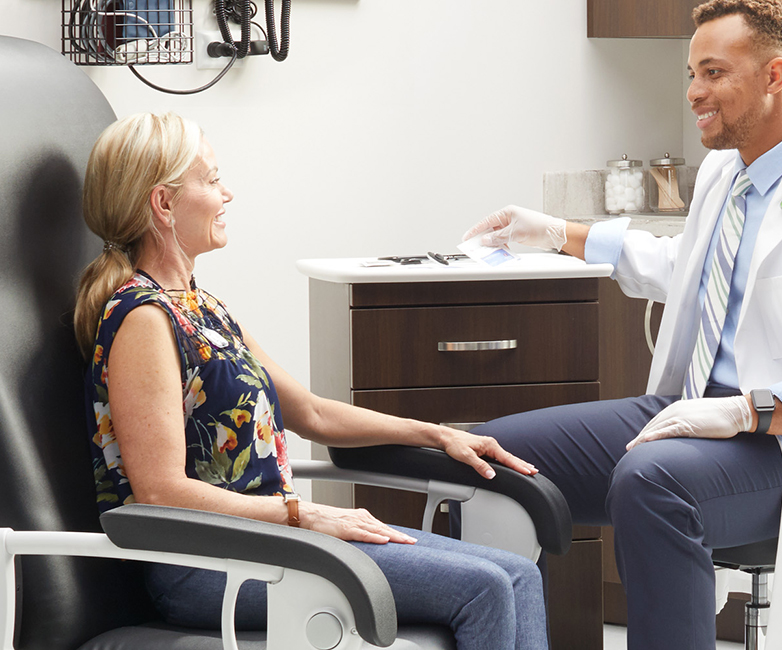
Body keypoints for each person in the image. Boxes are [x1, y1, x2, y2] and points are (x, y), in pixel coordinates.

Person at [462, 1, 782, 649]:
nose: (693, 92)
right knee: (488, 457)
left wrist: (746, 411)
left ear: (773, 75)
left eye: (712, 73)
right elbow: (689, 267)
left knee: (652, 481)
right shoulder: (723, 175)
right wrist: (557, 233)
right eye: (691, 72)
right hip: (690, 413)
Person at [76, 111, 548, 650]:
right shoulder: (143, 320)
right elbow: (161, 491)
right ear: (163, 203)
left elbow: (313, 413)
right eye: (210, 180)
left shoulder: (202, 308)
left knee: (517, 574)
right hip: (208, 564)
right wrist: (305, 514)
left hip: (272, 541)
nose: (227, 193)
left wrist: (437, 434)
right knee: (484, 588)